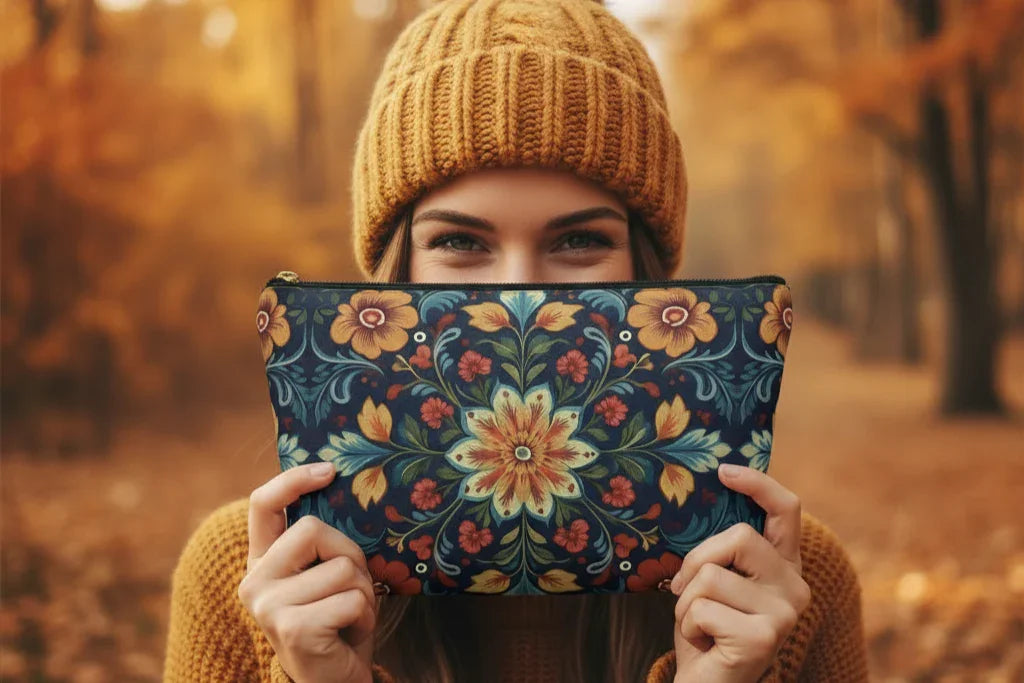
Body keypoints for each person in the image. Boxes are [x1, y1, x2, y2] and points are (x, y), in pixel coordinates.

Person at [163, 1, 868, 680]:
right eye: (461, 241)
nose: (519, 293)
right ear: (392, 279)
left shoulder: (789, 586)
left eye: (580, 240)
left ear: (652, 279)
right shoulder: (243, 581)